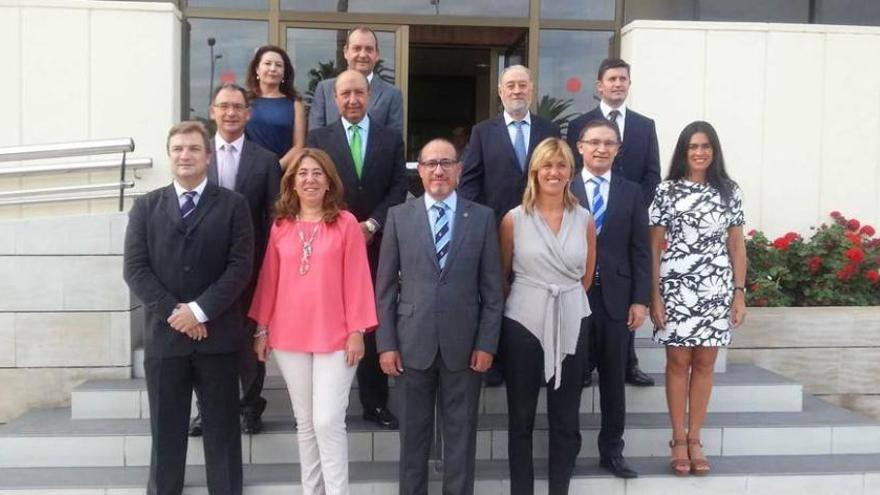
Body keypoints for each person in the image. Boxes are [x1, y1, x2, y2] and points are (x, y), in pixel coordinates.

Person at [123, 121, 254, 495]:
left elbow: (240, 267)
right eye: (178, 148)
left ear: (208, 156)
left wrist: (199, 311)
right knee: (166, 432)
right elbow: (135, 269)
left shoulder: (234, 205)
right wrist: (176, 314)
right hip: (165, 340)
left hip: (219, 339)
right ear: (169, 155)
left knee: (223, 431)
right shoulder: (146, 207)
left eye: (194, 148)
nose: (185, 155)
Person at [376, 139, 503, 495]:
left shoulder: (481, 217)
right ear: (419, 171)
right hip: (411, 342)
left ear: (459, 170)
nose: (438, 170)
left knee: (461, 437)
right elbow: (384, 288)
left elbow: (493, 292)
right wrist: (386, 344)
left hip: (465, 347)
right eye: (430, 163)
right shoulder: (399, 217)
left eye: (447, 163)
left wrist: (486, 343)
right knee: (413, 438)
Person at [248, 148, 377, 495]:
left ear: (329, 180)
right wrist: (261, 328)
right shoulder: (281, 226)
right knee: (305, 423)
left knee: (328, 421)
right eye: (302, 173)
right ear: (291, 182)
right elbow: (269, 279)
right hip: (289, 335)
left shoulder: (346, 223)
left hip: (336, 336)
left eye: (317, 173)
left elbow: (358, 278)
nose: (310, 179)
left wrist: (357, 330)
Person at [307, 68, 407, 430]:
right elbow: (316, 189)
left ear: (369, 96)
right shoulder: (319, 137)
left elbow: (398, 189)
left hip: (378, 243)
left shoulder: (390, 138)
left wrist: (372, 224)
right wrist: (346, 227)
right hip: (332, 243)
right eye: (344, 93)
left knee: (372, 321)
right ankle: (330, 405)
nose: (352, 99)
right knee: (335, 319)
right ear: (335, 99)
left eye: (358, 93)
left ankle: (375, 401)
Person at [648, 121, 747, 476]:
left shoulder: (729, 191)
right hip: (675, 286)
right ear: (683, 151)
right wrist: (654, 294)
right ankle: (677, 439)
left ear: (714, 151)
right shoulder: (666, 191)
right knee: (678, 363)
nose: (699, 152)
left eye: (705, 146)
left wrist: (739, 292)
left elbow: (737, 244)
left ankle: (695, 438)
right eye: (693, 146)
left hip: (715, 287)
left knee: (704, 364)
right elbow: (654, 246)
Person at [499, 137, 595, 495]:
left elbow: (585, 277)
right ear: (535, 171)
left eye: (561, 165)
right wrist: (534, 302)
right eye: (547, 166)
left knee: (565, 418)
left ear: (571, 171)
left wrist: (562, 300)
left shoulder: (583, 218)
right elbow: (503, 274)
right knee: (521, 418)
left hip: (571, 318)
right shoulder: (513, 219)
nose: (554, 172)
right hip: (524, 322)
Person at [188, 83, 282, 437]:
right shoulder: (197, 155)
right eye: (223, 106)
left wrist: (271, 269)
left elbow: (274, 218)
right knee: (202, 341)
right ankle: (206, 409)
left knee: (248, 342)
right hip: (201, 270)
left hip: (251, 268)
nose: (230, 112)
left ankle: (249, 407)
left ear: (248, 113)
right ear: (212, 111)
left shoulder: (266, 160)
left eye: (237, 107)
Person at [459, 64, 560, 386]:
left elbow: (560, 176)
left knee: (537, 294)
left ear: (531, 88)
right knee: (497, 293)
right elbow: (470, 183)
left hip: (540, 229)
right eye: (510, 86)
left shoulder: (549, 130)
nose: (516, 91)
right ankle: (497, 361)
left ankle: (538, 360)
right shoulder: (482, 132)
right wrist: (477, 221)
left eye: (522, 85)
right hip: (495, 229)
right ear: (500, 92)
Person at [567, 57, 660, 387]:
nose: (618, 84)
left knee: (622, 302)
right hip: (583, 226)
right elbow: (569, 173)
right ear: (600, 85)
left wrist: (629, 207)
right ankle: (584, 363)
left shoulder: (644, 125)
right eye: (612, 79)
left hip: (625, 221)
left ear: (629, 84)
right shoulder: (581, 124)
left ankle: (627, 363)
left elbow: (652, 173)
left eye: (623, 79)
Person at [570, 119, 650, 479]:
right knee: (570, 378)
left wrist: (641, 299)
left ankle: (612, 451)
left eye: (609, 143)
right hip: (573, 298)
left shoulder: (631, 192)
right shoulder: (563, 187)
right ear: (580, 146)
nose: (601, 149)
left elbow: (640, 251)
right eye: (594, 142)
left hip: (616, 300)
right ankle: (566, 449)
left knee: (614, 381)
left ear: (618, 150)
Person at [309, 26, 404, 133]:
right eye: (357, 48)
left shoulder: (392, 94)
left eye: (369, 49)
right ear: (345, 52)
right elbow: (315, 139)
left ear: (377, 54)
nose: (363, 55)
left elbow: (394, 141)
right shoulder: (324, 90)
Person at [245, 45, 306, 168]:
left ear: (284, 73)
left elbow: (299, 146)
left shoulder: (295, 104)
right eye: (267, 63)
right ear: (257, 69)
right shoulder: (244, 101)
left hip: (283, 172)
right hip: (248, 170)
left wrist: (275, 168)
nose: (273, 69)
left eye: (278, 65)